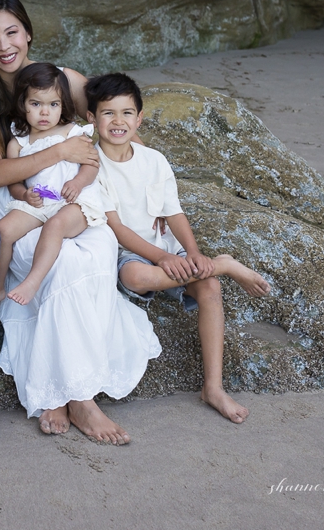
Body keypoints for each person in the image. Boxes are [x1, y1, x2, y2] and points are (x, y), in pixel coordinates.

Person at [0, 0, 161, 445]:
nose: (4, 45)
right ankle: (79, 398)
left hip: (73, 195)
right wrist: (58, 153)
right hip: (22, 200)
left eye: (12, 32)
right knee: (61, 265)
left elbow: (113, 127)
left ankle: (65, 389)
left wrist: (148, 190)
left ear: (28, 33)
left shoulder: (62, 80)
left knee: (96, 252)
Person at [86, 73, 273, 424]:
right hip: (128, 253)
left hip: (164, 246)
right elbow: (117, 227)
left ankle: (213, 387)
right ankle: (225, 264)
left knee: (209, 286)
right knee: (138, 274)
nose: (117, 121)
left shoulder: (153, 160)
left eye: (127, 113)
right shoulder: (92, 166)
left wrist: (193, 252)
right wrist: (162, 257)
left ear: (139, 119)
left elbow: (173, 212)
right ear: (91, 119)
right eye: (107, 113)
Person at [0, 63, 110, 309]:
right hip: (41, 200)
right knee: (2, 230)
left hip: (74, 201)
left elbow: (92, 164)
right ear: (23, 104)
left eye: (53, 105)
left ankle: (32, 282)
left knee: (55, 225)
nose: (44, 113)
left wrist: (78, 183)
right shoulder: (19, 143)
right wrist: (23, 194)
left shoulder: (73, 132)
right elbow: (13, 181)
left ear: (63, 104)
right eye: (36, 104)